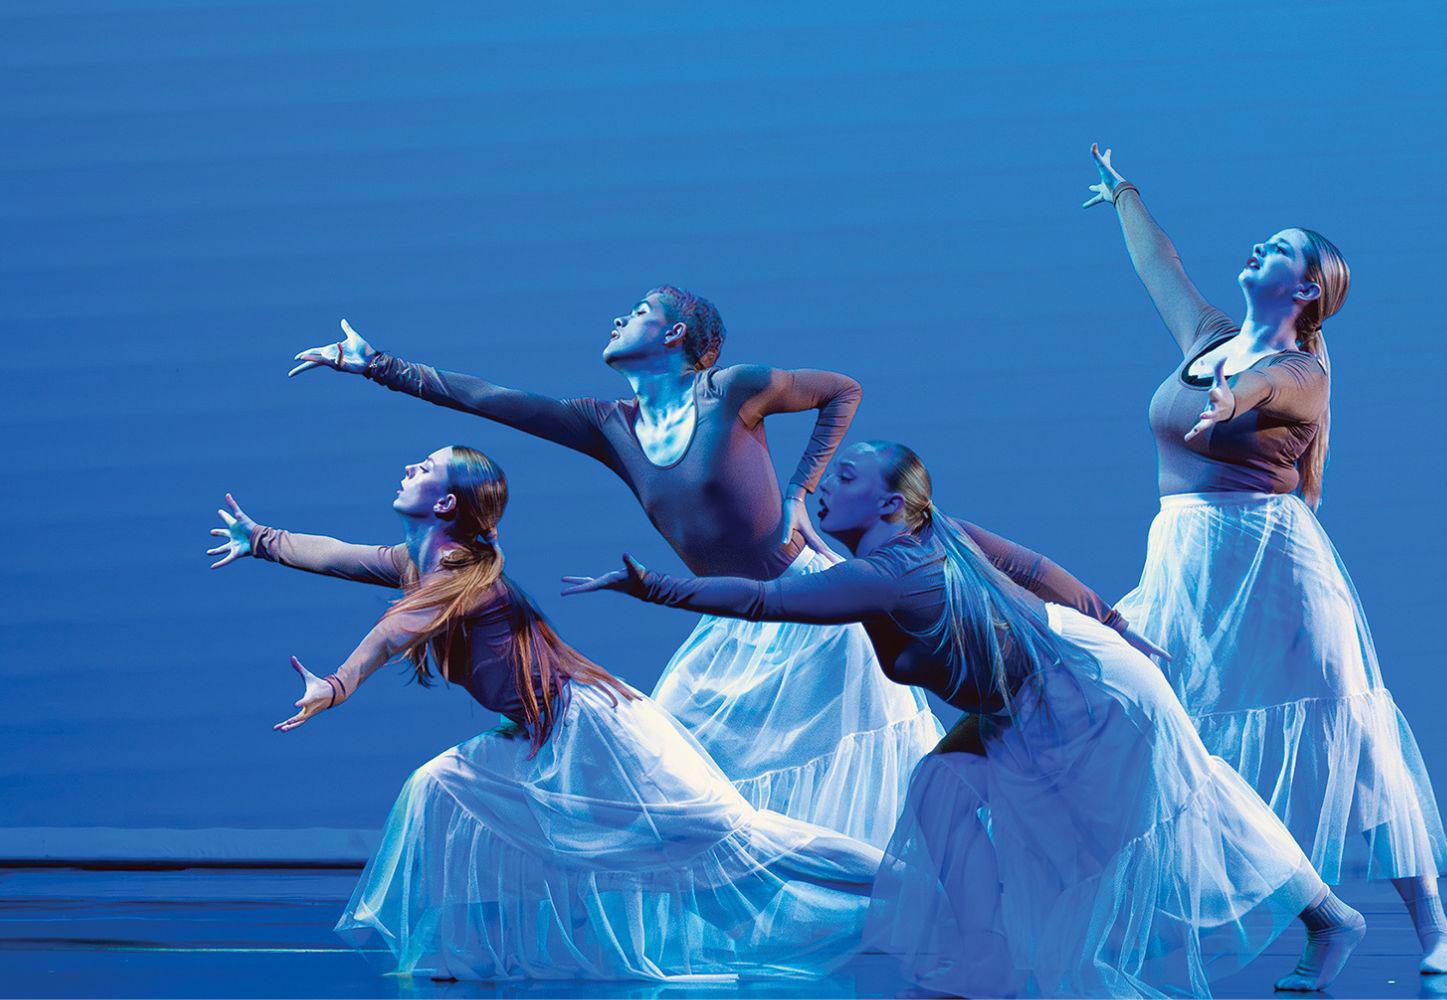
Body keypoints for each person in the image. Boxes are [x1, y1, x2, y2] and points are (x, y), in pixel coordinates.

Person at [563, 440, 1366, 997]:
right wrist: (1115, 625)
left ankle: (1328, 916)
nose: (823, 490)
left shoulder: (890, 573)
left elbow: (769, 601)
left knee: (1181, 806)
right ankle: (983, 955)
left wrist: (653, 588)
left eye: (843, 480)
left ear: (886, 503)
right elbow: (1030, 567)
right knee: (942, 786)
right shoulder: (922, 539)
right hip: (1039, 692)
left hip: (1082, 692)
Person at [284, 290, 942, 848]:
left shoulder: (732, 389)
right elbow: (491, 399)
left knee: (842, 775)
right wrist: (379, 366)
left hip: (807, 609)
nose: (617, 320)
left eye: (637, 310)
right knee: (686, 790)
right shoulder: (609, 426)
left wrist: (800, 492)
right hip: (729, 623)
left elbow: (842, 391)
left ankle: (899, 881)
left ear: (675, 332)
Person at [204, 446, 882, 982]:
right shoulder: (417, 563)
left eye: (426, 466)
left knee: (725, 834)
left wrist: (339, 684)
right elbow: (332, 554)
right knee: (440, 786)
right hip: (534, 735)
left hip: (596, 726)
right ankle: (452, 954)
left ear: (443, 501)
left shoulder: (459, 575)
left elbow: (392, 635)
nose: (408, 466)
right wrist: (261, 538)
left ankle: (902, 876)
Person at [1083, 144, 1447, 974]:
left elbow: (1263, 393)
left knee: (1355, 740)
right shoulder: (1209, 334)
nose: (1261, 247)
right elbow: (1161, 265)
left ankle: (1434, 925)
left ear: (1307, 290)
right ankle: (1251, 913)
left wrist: (1229, 399)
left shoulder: (1299, 370)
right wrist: (1124, 195)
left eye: (1282, 248)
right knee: (1154, 718)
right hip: (1186, 559)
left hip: (1273, 566)